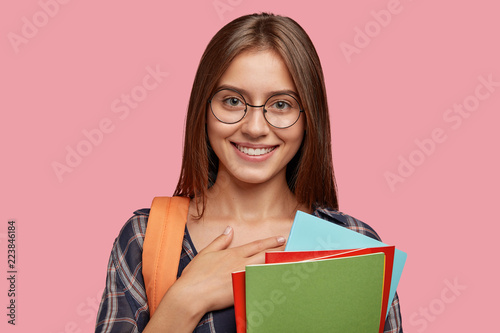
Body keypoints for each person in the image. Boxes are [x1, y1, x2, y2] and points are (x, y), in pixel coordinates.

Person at [95, 12, 403, 333]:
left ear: (309, 117)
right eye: (232, 101)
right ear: (203, 109)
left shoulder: (355, 248)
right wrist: (186, 300)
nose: (255, 128)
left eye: (281, 105)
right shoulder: (145, 238)